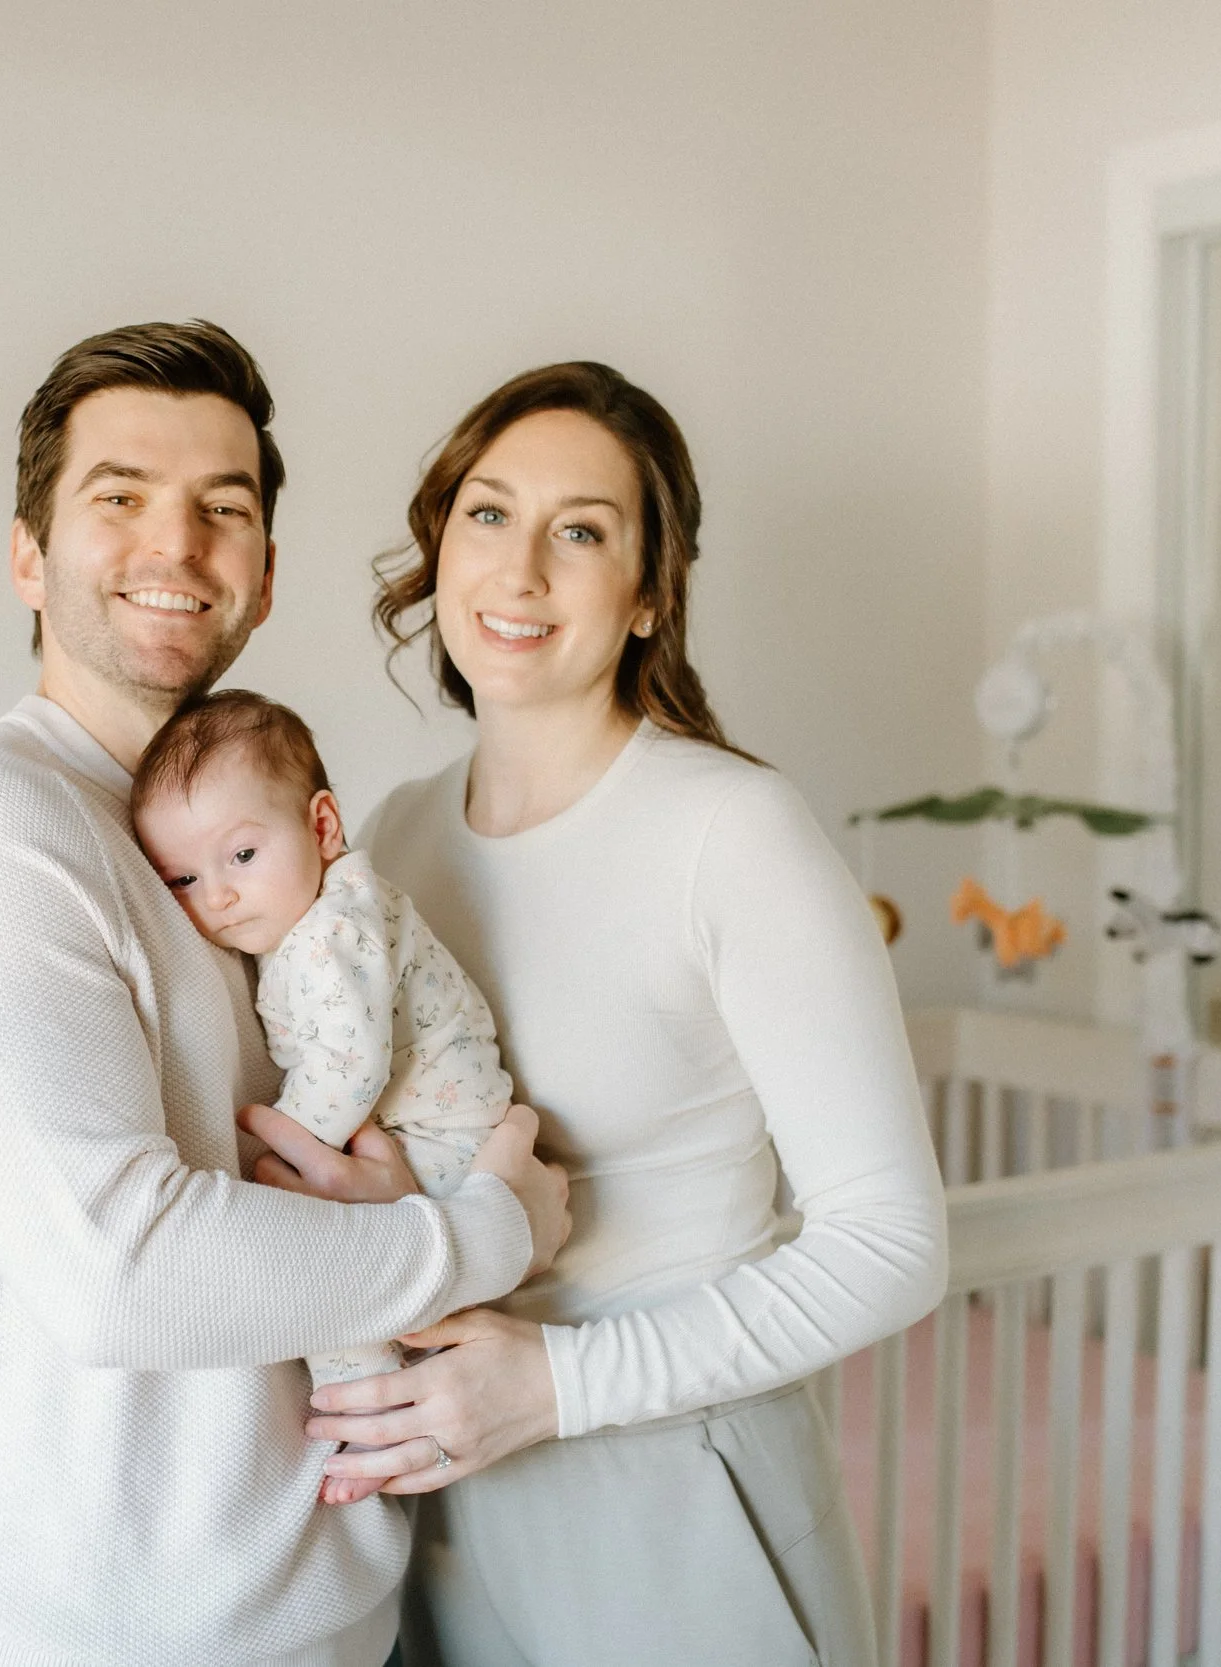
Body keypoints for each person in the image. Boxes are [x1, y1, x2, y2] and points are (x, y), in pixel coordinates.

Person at [0, 321, 570, 1667]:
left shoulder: (233, 854)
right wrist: (489, 1230)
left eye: (223, 508)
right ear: (27, 555)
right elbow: (126, 1272)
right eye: (120, 497)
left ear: (265, 577)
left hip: (324, 1597)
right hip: (90, 1633)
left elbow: (291, 1173)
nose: (178, 543)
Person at [280, 362, 947, 1666]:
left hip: (674, 1474)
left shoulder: (732, 833)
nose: (519, 568)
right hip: (452, 1479)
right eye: (488, 513)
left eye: (580, 530)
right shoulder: (394, 838)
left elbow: (892, 1241)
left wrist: (559, 1383)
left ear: (649, 593)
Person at [130, 689, 514, 1501]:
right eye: (185, 878)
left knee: (339, 1294)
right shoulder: (309, 916)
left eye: (241, 856)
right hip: (435, 1129)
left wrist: (268, 1158)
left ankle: (369, 1433)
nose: (219, 896)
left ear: (323, 827)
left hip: (441, 1133)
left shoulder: (332, 929)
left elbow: (349, 1067)